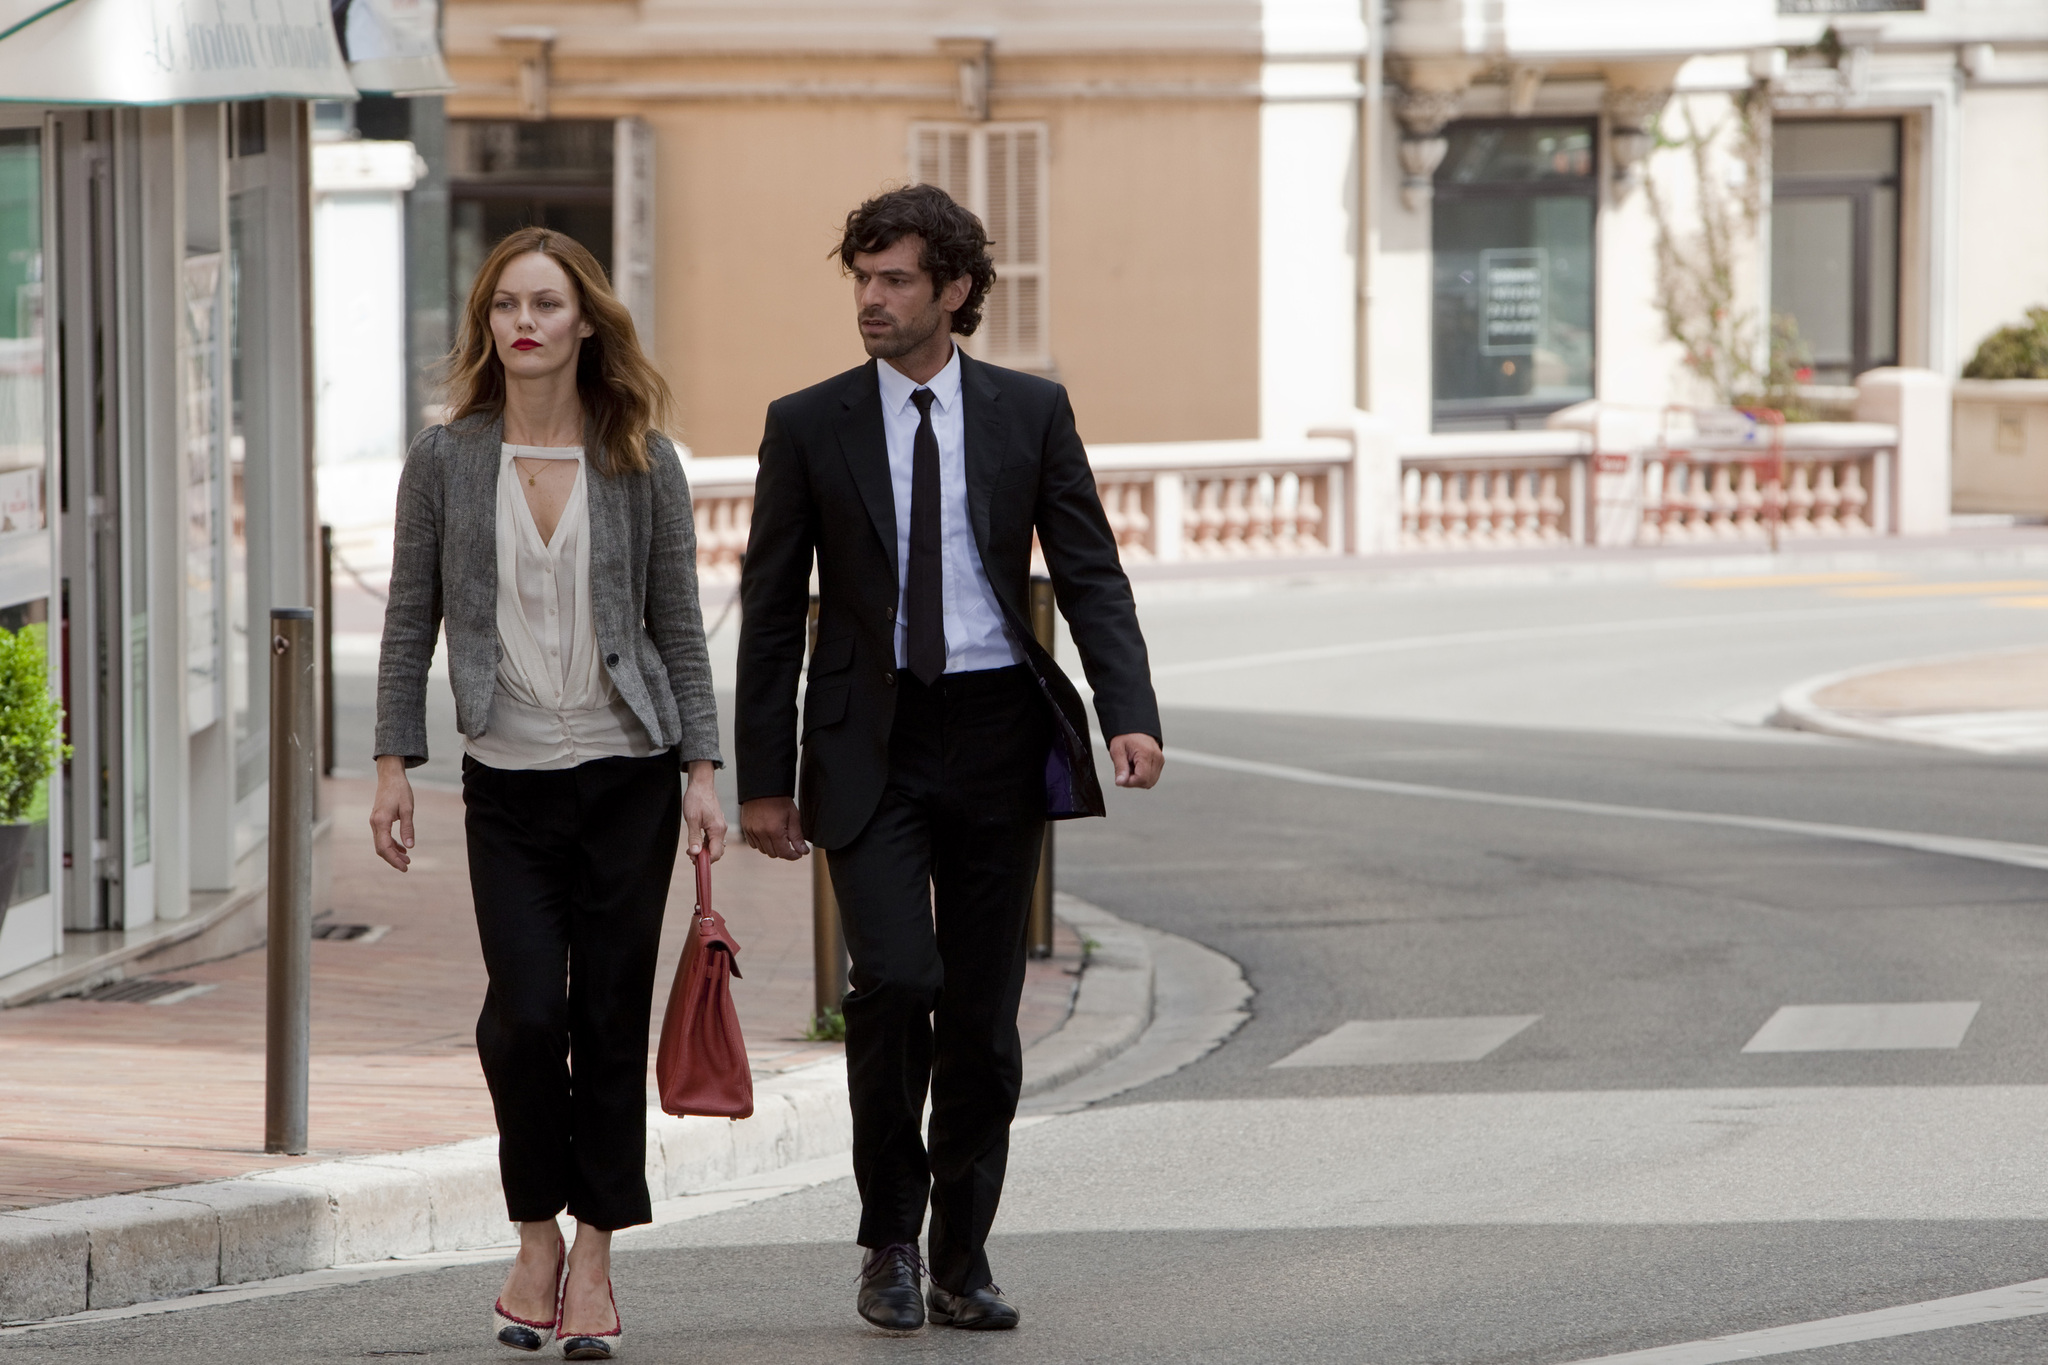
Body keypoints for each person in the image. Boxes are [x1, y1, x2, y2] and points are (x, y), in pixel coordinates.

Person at [735, 184, 1163, 1333]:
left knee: (980, 1013)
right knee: (897, 984)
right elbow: (770, 612)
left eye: (895, 282)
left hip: (993, 735)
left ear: (955, 290)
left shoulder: (1028, 413)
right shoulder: (808, 421)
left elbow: (1087, 571)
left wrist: (1127, 710)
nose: (871, 302)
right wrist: (763, 779)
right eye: (861, 281)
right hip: (867, 744)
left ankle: (960, 1255)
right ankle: (886, 1238)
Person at [369, 226, 725, 1361]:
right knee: (524, 1014)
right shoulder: (445, 459)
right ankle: (534, 1232)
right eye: (505, 306)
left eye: (547, 305)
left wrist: (704, 772)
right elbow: (406, 619)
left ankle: (597, 1253)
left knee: (609, 1016)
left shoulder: (639, 459)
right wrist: (391, 765)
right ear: (486, 326)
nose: (524, 323)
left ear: (585, 323)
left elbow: (678, 625)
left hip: (630, 779)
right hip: (507, 779)